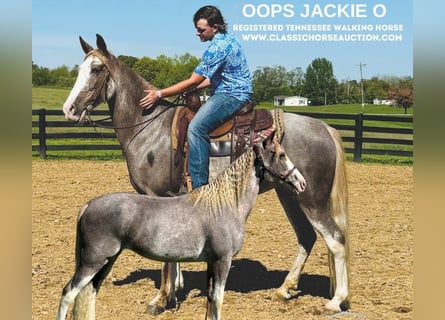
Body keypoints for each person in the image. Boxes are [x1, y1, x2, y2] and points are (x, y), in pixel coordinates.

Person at [140, 5, 253, 189]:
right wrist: (193, 88)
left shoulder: (217, 47)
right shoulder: (229, 39)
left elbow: (193, 80)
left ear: (214, 27)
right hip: (233, 89)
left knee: (196, 128)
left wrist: (159, 93)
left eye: (201, 29)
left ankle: (200, 188)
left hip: (232, 94)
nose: (197, 33)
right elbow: (210, 79)